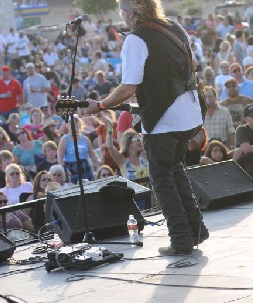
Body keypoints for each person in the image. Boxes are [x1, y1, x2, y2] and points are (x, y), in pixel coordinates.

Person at [83, 0, 209, 256]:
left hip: (164, 120)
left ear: (131, 12)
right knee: (175, 169)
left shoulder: (136, 39)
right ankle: (196, 230)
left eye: (122, 10)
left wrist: (102, 105)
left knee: (161, 178)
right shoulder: (174, 27)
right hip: (190, 112)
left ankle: (181, 239)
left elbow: (129, 87)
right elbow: (192, 66)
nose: (123, 16)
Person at [57, 115, 101, 184]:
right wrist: (65, 170)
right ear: (68, 125)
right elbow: (60, 159)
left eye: (76, 122)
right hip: (72, 169)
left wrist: (99, 162)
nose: (74, 124)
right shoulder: (64, 139)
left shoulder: (85, 139)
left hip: (85, 168)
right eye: (72, 123)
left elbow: (92, 154)